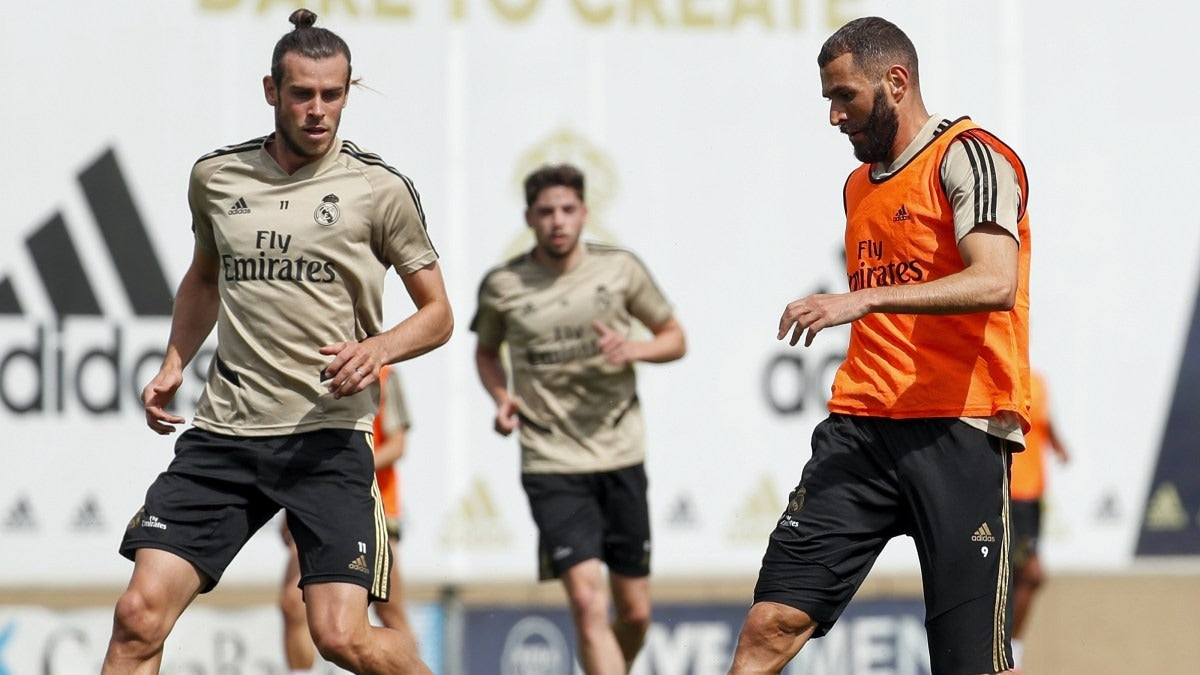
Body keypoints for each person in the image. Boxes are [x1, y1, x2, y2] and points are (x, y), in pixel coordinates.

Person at [102, 9, 452, 675]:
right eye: (302, 93)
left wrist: (376, 349)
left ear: (348, 91)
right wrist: (175, 360)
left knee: (341, 636)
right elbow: (204, 277)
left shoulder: (379, 189)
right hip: (226, 435)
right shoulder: (217, 177)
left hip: (327, 439)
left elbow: (438, 314)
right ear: (272, 90)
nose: (318, 109)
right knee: (137, 615)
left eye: (332, 93)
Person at [730, 16, 1031, 675]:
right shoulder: (859, 185)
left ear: (896, 82)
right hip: (861, 428)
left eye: (846, 97)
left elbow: (995, 279)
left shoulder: (971, 156)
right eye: (830, 101)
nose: (835, 117)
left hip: (959, 429)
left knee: (971, 665)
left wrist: (862, 299)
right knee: (768, 624)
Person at [471, 164, 686, 674]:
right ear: (529, 218)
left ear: (585, 213)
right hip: (551, 460)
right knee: (588, 603)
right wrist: (500, 396)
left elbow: (675, 338)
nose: (557, 222)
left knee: (634, 613)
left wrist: (632, 349)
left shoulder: (620, 270)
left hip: (620, 451)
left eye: (567, 210)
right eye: (545, 212)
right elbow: (485, 353)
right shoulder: (504, 285)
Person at [279, 364, 420, 674]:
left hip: (375, 506)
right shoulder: (303, 368)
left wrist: (343, 468)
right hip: (314, 505)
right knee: (292, 603)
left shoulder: (384, 375)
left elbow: (397, 445)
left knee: (390, 610)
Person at [1008, 371, 1069, 669]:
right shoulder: (1002, 377)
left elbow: (1044, 419)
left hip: (1031, 497)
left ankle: (1008, 650)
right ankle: (1007, 651)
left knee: (1023, 576)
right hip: (1008, 492)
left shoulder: (1039, 381)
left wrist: (1058, 445)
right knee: (1029, 573)